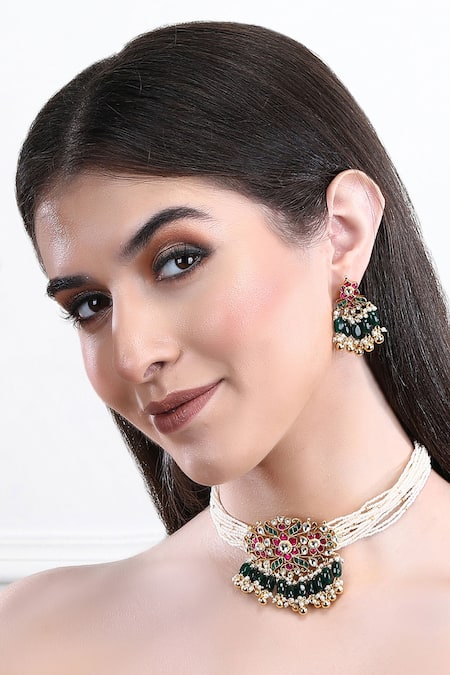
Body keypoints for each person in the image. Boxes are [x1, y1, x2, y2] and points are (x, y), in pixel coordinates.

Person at [1, 20, 449, 674]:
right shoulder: (31, 634)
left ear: (343, 232)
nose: (133, 356)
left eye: (178, 261)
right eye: (90, 304)